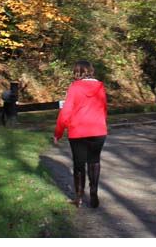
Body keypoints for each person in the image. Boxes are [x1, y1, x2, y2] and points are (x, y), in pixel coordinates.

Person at [53, 60, 107, 208]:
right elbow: (103, 109)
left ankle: (79, 197)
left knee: (79, 164)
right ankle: (94, 193)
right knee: (94, 161)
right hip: (98, 130)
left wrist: (58, 133)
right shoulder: (100, 86)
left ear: (77, 72)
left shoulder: (75, 87)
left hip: (78, 131)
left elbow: (66, 112)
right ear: (90, 70)